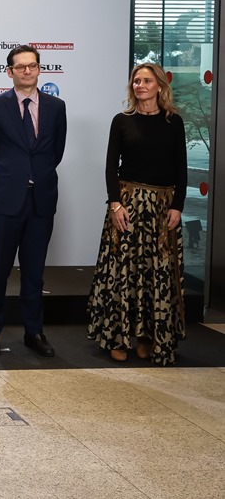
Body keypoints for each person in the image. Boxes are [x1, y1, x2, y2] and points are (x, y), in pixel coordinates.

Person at [87, 63, 187, 366]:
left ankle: (148, 337)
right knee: (122, 273)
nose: (139, 85)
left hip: (161, 209)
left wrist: (177, 206)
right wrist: (114, 204)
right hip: (127, 205)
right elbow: (109, 167)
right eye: (136, 80)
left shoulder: (174, 122)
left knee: (156, 273)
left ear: (159, 85)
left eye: (146, 80)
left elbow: (181, 169)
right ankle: (118, 337)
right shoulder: (122, 120)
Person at [0, 44, 67, 357]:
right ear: (9, 71)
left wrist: (34, 177)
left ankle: (34, 332)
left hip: (41, 201)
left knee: (34, 272)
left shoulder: (56, 107)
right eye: (20, 67)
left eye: (32, 66)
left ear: (39, 69)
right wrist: (5, 179)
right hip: (6, 201)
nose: (27, 71)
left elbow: (56, 152)